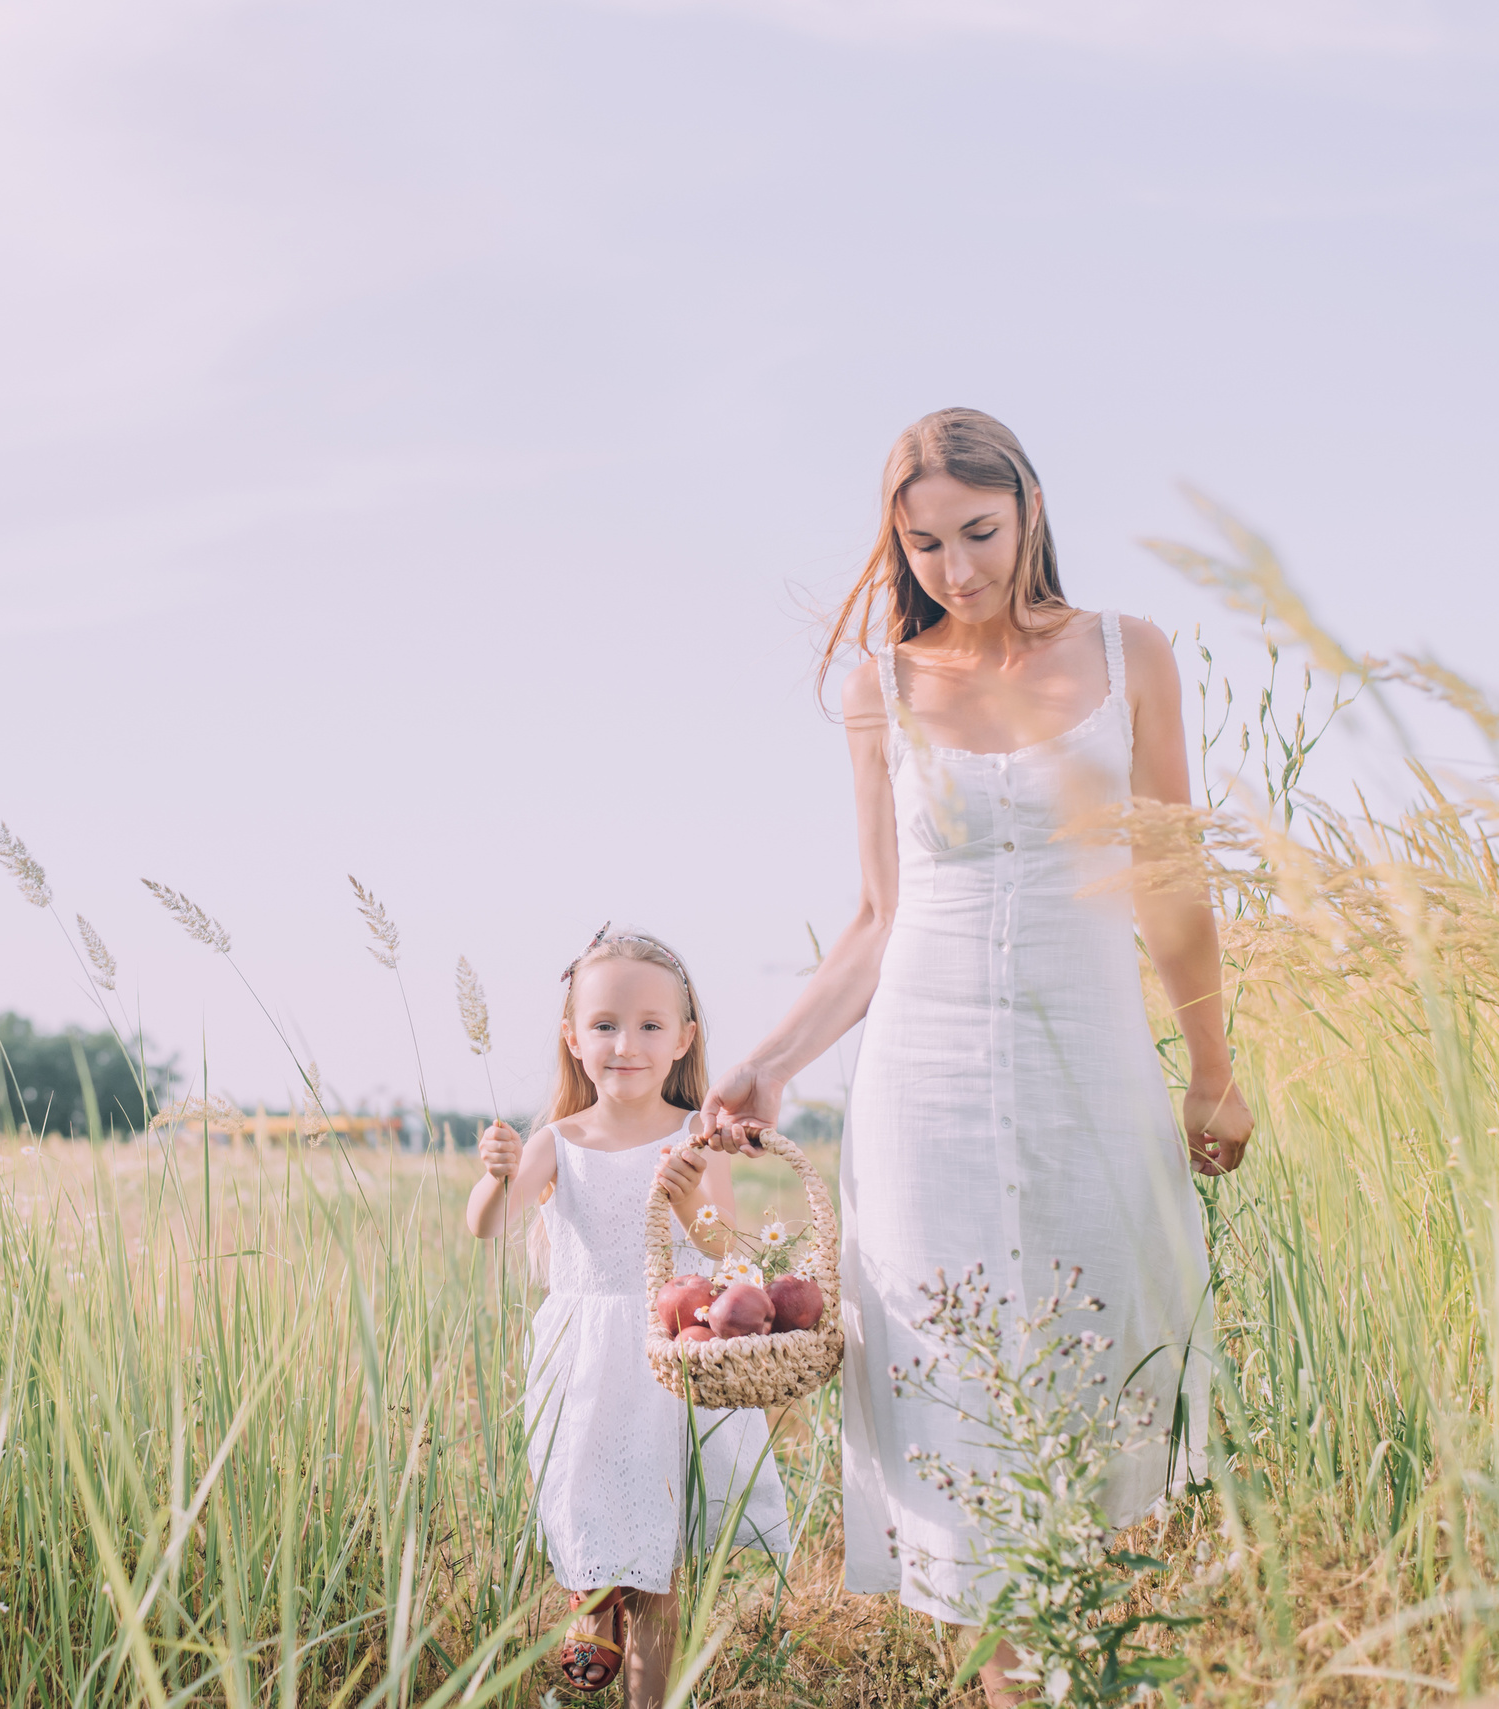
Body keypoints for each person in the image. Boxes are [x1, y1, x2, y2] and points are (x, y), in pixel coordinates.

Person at [700, 408, 1256, 1707]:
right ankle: (1008, 1686)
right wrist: (771, 1064)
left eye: (980, 532)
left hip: (1095, 1075)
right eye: (927, 542)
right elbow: (880, 919)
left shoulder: (1133, 656)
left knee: (1097, 1371)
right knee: (959, 1408)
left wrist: (1213, 1069)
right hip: (924, 1086)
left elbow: (1173, 885)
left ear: (1032, 509)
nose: (956, 566)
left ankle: (1087, 1674)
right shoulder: (881, 686)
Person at [467, 928, 791, 1705]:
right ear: (574, 1038)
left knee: (660, 1549)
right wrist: (493, 1176)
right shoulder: (559, 1141)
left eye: (650, 1025)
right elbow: (490, 1224)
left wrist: (683, 1196)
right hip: (584, 1359)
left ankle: (648, 1690)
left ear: (684, 1039)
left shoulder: (697, 1136)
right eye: (606, 1024)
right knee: (586, 1504)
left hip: (667, 1359)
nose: (627, 1043)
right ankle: (592, 1595)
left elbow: (722, 1248)